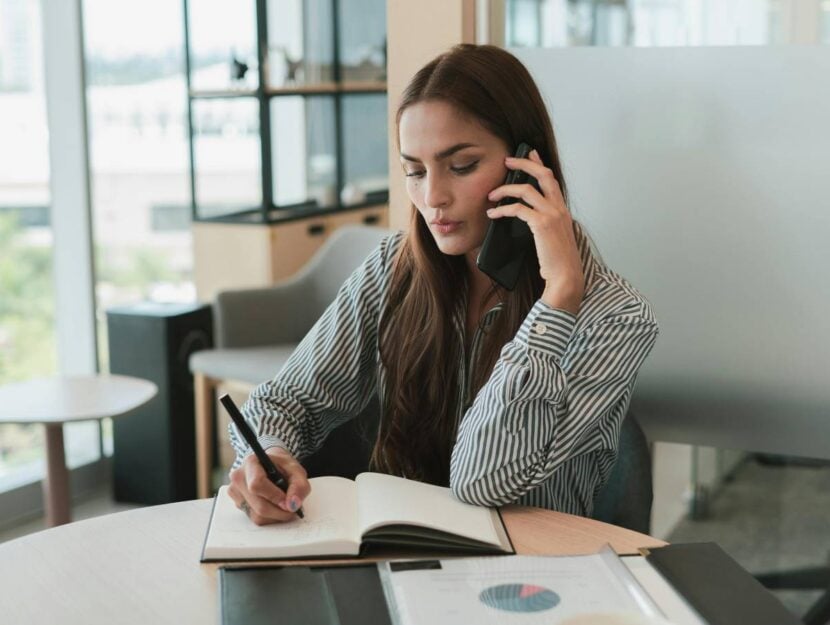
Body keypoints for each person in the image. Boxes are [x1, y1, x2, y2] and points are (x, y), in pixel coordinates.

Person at [226, 43, 659, 525]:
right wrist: (267, 452)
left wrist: (557, 301)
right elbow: (283, 401)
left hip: (537, 577)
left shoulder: (617, 316)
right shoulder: (393, 268)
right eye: (415, 171)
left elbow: (483, 480)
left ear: (527, 164)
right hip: (407, 558)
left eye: (461, 166)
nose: (432, 197)